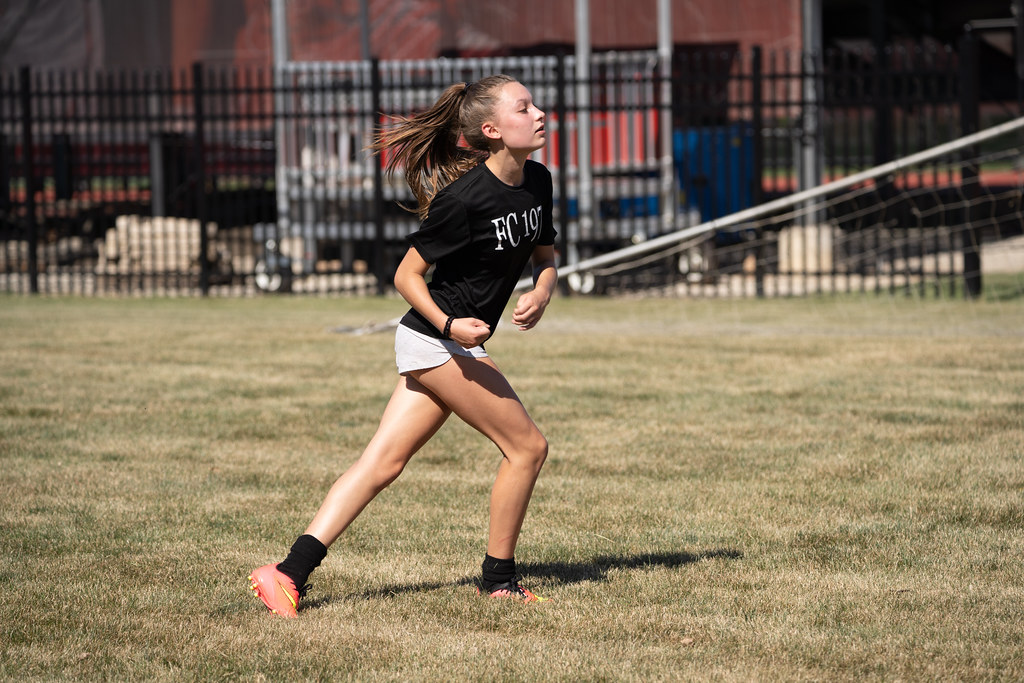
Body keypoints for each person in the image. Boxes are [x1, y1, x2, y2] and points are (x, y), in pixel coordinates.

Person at [248, 74, 557, 617]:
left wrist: (543, 289)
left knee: (383, 464)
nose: (539, 114)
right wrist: (451, 325)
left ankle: (285, 573)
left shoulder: (538, 181)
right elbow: (407, 276)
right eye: (524, 106)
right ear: (491, 129)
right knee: (527, 447)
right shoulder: (463, 200)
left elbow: (546, 255)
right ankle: (499, 580)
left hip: (444, 345)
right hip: (436, 343)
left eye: (535, 105)